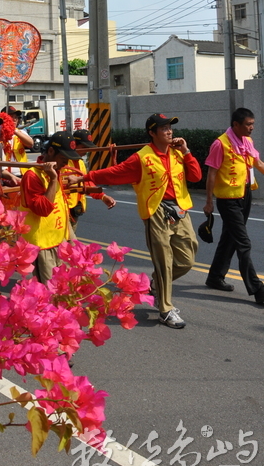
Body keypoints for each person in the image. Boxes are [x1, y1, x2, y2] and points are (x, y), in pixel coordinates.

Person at [85, 113, 201, 329]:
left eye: (170, 127)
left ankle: (156, 283)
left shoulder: (177, 153)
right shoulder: (142, 158)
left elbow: (195, 177)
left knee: (186, 260)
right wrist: (86, 177)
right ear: (152, 133)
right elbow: (113, 173)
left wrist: (186, 151)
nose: (169, 131)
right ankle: (165, 309)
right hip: (156, 212)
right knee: (164, 262)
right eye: (164, 128)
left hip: (181, 210)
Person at [204, 107, 264, 304]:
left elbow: (258, 163)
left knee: (229, 238)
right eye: (248, 124)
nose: (251, 128)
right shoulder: (220, 144)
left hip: (244, 194)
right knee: (243, 243)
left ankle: (215, 277)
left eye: (252, 124)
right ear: (236, 125)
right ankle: (257, 289)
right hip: (228, 200)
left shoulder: (247, 142)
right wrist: (209, 202)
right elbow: (211, 174)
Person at [20, 131, 79, 284]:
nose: (66, 164)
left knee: (62, 289)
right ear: (51, 151)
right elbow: (43, 210)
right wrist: (53, 180)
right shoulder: (32, 176)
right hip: (42, 246)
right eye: (63, 159)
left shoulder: (55, 170)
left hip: (58, 241)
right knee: (48, 292)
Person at [62, 129, 116, 233]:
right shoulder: (63, 162)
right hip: (64, 209)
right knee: (67, 244)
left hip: (75, 210)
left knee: (69, 244)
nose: (87, 151)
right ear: (74, 145)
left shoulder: (81, 163)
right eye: (83, 147)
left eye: (88, 148)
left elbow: (86, 183)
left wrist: (103, 196)